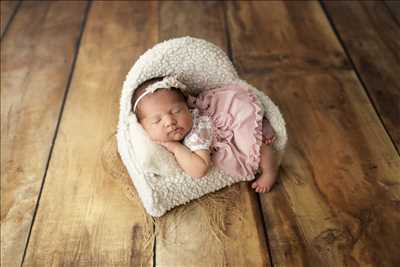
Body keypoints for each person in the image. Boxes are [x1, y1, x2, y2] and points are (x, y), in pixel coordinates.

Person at [131, 75, 279, 193]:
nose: (170, 121)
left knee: (257, 146)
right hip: (226, 114)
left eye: (177, 111)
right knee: (251, 128)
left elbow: (199, 169)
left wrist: (175, 147)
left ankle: (269, 171)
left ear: (187, 108)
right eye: (157, 120)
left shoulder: (196, 135)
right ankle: (258, 123)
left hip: (228, 120)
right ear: (142, 127)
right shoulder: (147, 133)